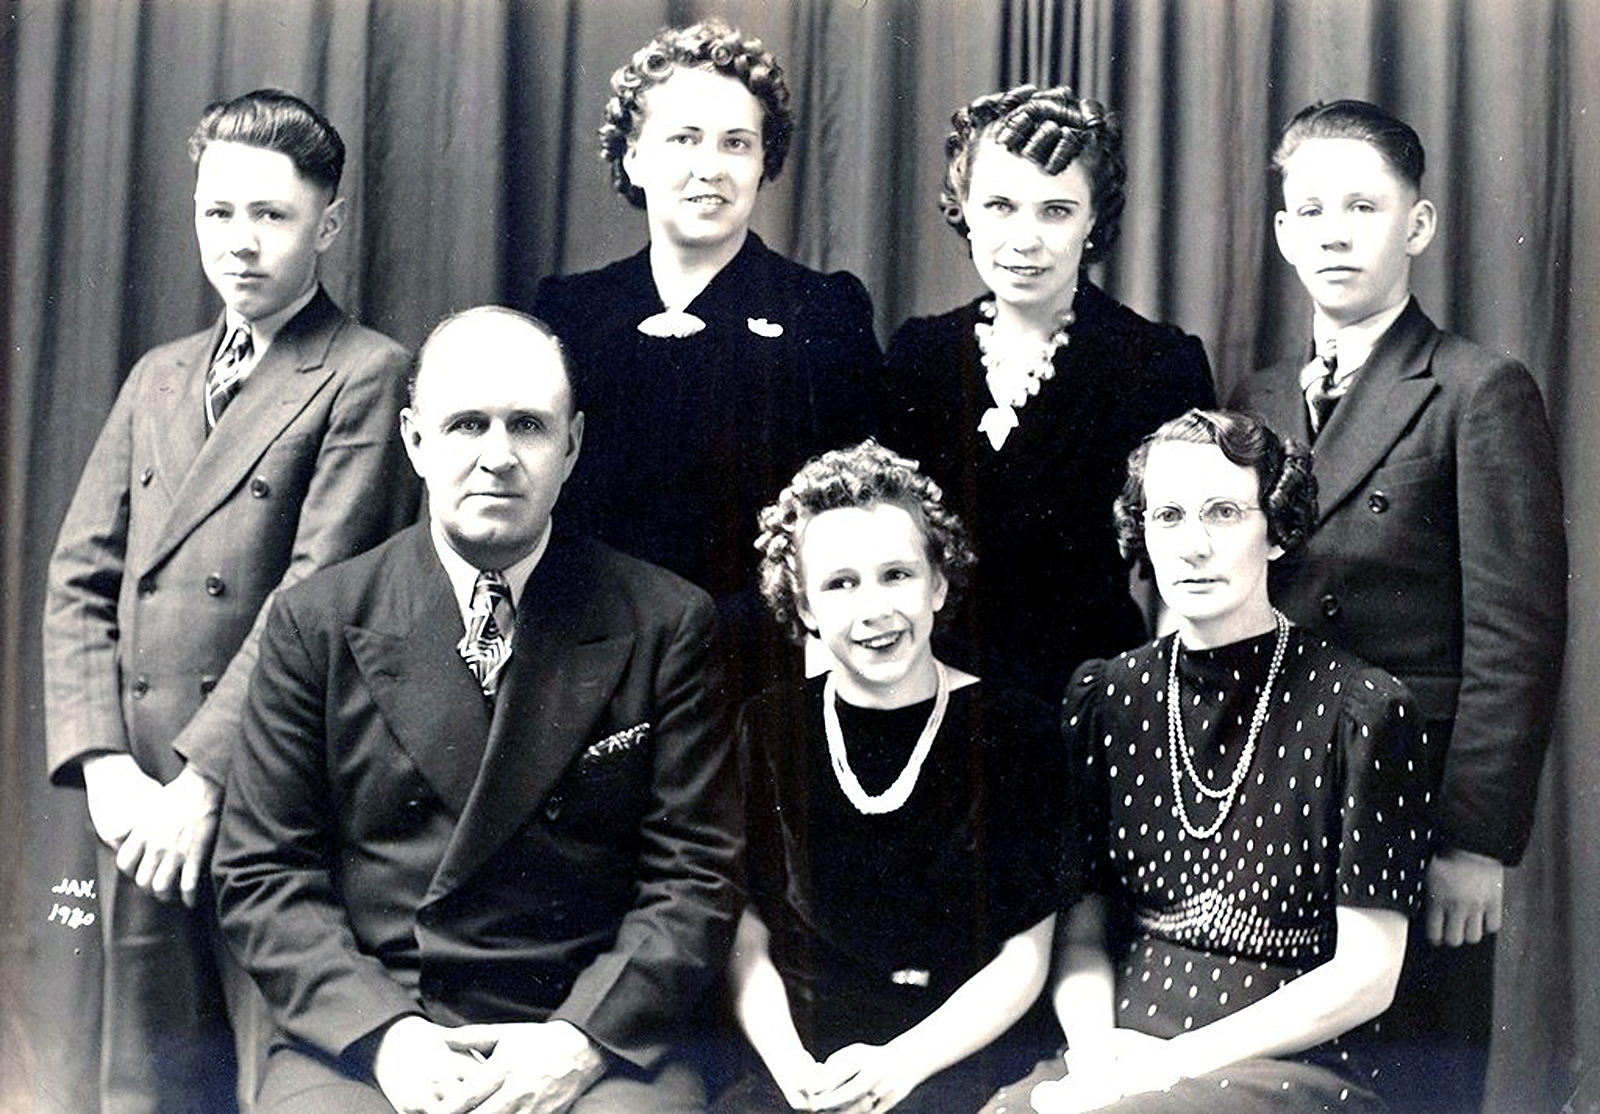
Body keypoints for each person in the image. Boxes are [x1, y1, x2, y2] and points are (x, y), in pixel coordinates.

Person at [212, 307, 743, 1114]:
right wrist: (389, 1038)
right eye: (467, 425)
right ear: (414, 440)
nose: (498, 456)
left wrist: (579, 1041)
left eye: (528, 425)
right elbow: (263, 872)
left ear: (572, 445)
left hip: (590, 1025)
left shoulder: (665, 620)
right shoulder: (316, 623)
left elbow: (695, 877)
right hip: (383, 1022)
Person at [42, 88, 416, 1112]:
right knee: (150, 1079)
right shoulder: (157, 377)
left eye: (271, 214)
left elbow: (313, 600)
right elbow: (79, 576)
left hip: (268, 792)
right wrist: (105, 767)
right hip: (139, 799)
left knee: (273, 1074)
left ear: (327, 224)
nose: (240, 241)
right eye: (219, 211)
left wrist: (201, 787)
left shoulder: (367, 373)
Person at [1228, 99, 1567, 1113]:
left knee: (1414, 1079)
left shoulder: (1476, 390)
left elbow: (1514, 637)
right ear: (1282, 233)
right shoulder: (1255, 399)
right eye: (1310, 211)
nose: (1334, 233)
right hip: (1274, 795)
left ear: (1416, 226)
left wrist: (1475, 840)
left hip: (1416, 810)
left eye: (1363, 207)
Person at [985, 409, 1435, 1114]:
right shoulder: (1108, 697)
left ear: (1277, 530)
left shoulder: (1364, 710)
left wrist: (1166, 1068)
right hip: (1119, 1048)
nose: (1193, 545)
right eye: (1168, 516)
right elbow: (1082, 936)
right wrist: (1098, 1057)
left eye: (1224, 513)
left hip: (1290, 1062)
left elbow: (1367, 976)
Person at [532, 18, 880, 697]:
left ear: (764, 162)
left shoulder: (823, 310)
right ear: (633, 157)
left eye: (736, 143)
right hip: (591, 661)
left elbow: (850, 517)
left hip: (762, 669)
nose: (710, 167)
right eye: (683, 139)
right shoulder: (570, 313)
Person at [719, 441, 1067, 1114]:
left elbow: (1025, 955)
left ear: (939, 583)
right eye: (840, 584)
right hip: (800, 1062)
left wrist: (900, 1066)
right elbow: (746, 928)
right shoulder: (766, 727)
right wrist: (793, 1068)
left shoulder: (1016, 731)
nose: (872, 609)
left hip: (960, 1059)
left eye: (896, 575)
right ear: (804, 607)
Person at [879, 84, 1215, 701]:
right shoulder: (918, 356)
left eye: (1055, 211)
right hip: (931, 694)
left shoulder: (1158, 363)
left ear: (1094, 221)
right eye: (1000, 206)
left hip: (1094, 697)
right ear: (964, 208)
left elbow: (1186, 568)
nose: (1024, 239)